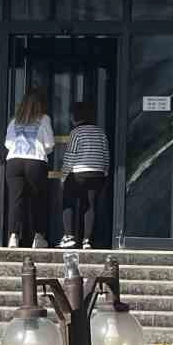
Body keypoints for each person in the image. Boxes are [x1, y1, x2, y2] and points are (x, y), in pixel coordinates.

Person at [4, 90, 54, 249]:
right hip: (35, 161)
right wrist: (44, 151)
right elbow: (49, 144)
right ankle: (38, 237)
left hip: (14, 162)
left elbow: (8, 143)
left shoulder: (15, 120)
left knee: (16, 200)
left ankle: (13, 236)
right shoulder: (44, 119)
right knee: (38, 200)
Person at [57, 101, 109, 249]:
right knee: (90, 205)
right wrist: (105, 172)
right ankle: (87, 240)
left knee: (68, 202)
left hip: (79, 173)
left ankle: (68, 236)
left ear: (74, 116)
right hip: (97, 174)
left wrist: (63, 176)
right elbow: (106, 155)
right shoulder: (100, 132)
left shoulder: (76, 132)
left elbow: (70, 156)